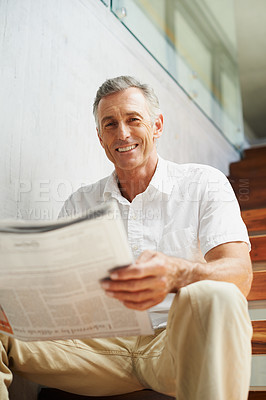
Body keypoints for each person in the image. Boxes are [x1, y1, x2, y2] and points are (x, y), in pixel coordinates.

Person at [0, 76, 253, 400]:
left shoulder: (204, 183)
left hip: (173, 345)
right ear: (100, 137)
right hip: (97, 351)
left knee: (220, 296)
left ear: (157, 125)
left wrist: (181, 273)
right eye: (110, 124)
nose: (122, 133)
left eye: (133, 119)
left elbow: (240, 276)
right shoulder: (80, 203)